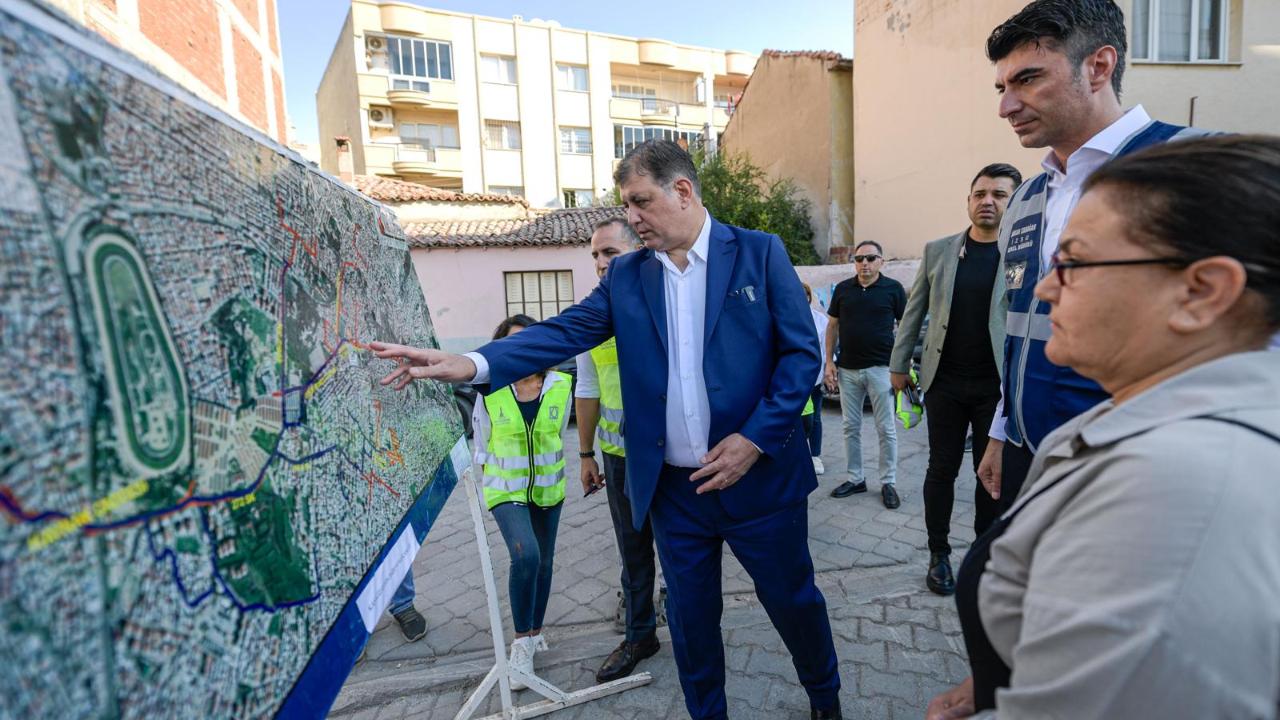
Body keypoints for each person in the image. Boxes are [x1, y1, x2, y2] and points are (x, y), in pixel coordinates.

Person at [371, 140, 843, 720]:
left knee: (793, 603)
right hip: (677, 492)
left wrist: (753, 439)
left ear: (683, 191)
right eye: (627, 204)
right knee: (693, 626)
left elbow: (800, 359)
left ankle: (826, 698)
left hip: (761, 482)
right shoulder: (626, 276)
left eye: (641, 201)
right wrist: (472, 364)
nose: (633, 217)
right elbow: (564, 332)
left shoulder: (758, 253)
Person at [927, 134, 1280, 719]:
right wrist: (993, 681)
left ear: (1202, 292)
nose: (1043, 288)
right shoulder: (1153, 417)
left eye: (1073, 262)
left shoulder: (1174, 493)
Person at [975, 0, 1211, 510]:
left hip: (1136, 473)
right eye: (1002, 87)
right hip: (1027, 455)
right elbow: (1021, 328)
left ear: (1098, 67)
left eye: (1027, 80)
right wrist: (1002, 429)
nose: (1006, 106)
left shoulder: (1194, 167)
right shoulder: (1027, 197)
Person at [889, 164, 1020, 596]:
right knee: (941, 469)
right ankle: (939, 553)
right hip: (943, 382)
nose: (988, 201)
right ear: (967, 201)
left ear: (1014, 202)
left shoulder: (1023, 253)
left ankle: (983, 556)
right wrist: (897, 365)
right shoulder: (940, 251)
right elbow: (914, 312)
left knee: (991, 476)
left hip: (997, 390)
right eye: (980, 193)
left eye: (999, 194)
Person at [573, 217, 664, 684]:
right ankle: (639, 636)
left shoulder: (663, 301)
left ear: (637, 252)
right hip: (618, 456)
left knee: (680, 548)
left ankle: (693, 631)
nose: (600, 263)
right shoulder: (594, 314)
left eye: (609, 252)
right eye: (594, 255)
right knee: (633, 550)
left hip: (670, 454)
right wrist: (585, 454)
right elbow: (586, 387)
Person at [470, 315, 572, 689]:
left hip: (549, 488)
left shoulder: (561, 385)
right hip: (505, 489)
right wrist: (482, 484)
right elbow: (481, 439)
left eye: (529, 342)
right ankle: (521, 644)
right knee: (525, 555)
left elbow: (559, 436)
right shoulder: (491, 389)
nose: (522, 350)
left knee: (544, 563)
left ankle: (535, 631)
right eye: (512, 343)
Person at [824, 241, 907, 508]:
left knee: (886, 428)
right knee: (850, 427)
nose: (864, 264)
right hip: (848, 369)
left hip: (882, 369)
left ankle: (888, 482)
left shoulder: (893, 289)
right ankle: (856, 478)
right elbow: (832, 326)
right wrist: (829, 362)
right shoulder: (844, 290)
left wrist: (901, 366)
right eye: (859, 259)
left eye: (870, 258)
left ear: (881, 261)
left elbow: (906, 327)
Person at [800, 282, 829, 475]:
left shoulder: (820, 321)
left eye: (804, 295)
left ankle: (815, 455)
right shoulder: (781, 318)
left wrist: (828, 373)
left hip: (814, 380)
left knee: (815, 418)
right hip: (792, 380)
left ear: (809, 297)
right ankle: (796, 455)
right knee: (794, 419)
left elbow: (826, 351)